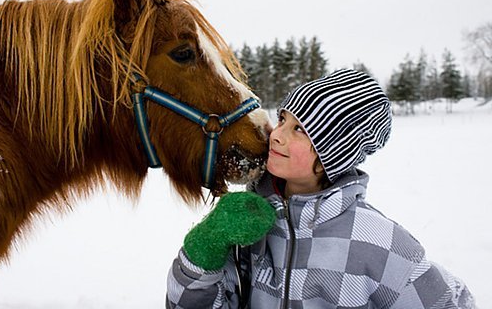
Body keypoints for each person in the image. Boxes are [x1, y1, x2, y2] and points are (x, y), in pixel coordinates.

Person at [166, 69, 476, 308]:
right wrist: (204, 248)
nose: (276, 135)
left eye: (299, 129)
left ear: (334, 151)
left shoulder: (379, 243)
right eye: (283, 119)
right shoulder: (247, 221)